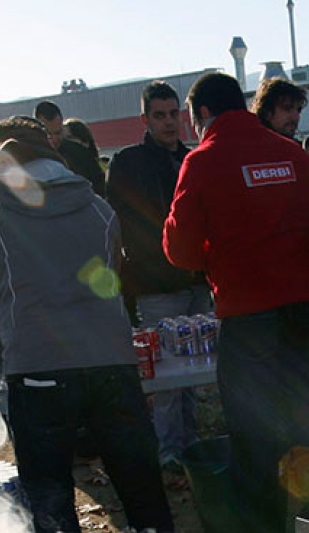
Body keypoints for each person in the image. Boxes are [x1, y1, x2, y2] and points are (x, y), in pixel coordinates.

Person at [0, 116, 175, 533]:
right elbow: (109, 280)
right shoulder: (97, 207)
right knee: (139, 480)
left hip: (37, 370)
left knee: (50, 489)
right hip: (112, 362)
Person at [165, 71, 309, 533]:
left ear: (200, 115)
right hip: (304, 310)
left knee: (255, 434)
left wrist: (218, 258)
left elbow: (179, 250)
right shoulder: (293, 154)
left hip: (247, 315)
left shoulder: (203, 160)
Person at [106, 80, 210, 465]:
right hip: (154, 282)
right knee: (166, 377)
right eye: (160, 116)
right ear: (145, 118)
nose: (169, 123)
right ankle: (170, 450)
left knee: (196, 372)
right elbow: (119, 220)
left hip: (195, 279)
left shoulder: (192, 157)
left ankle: (191, 443)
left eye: (173, 114)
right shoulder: (128, 162)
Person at [58, 118, 106, 191]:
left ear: (85, 142)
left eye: (69, 138)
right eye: (63, 139)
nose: (65, 143)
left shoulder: (104, 168)